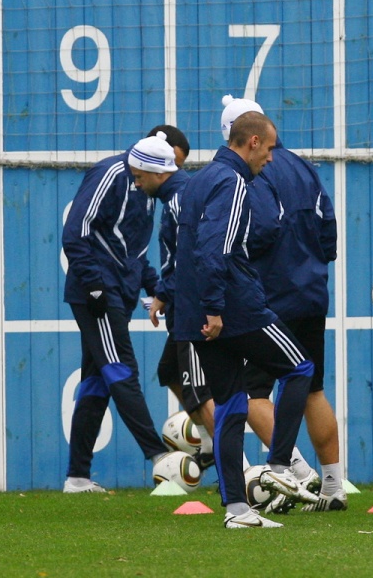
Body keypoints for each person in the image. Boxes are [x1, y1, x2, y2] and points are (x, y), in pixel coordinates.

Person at [173, 111, 318, 529]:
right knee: (300, 369)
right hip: (234, 309)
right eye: (269, 149)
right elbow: (214, 248)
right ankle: (279, 466)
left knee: (231, 404)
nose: (271, 158)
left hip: (196, 314)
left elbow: (182, 245)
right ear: (252, 142)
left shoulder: (198, 179)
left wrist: (199, 308)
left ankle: (237, 509)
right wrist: (215, 307)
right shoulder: (233, 182)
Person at [219, 95, 345, 511]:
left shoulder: (252, 172)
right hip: (311, 291)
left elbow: (261, 229)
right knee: (313, 390)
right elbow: (329, 228)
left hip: (270, 297)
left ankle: (295, 474)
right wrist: (313, 264)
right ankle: (334, 486)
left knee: (254, 392)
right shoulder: (303, 166)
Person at [61, 130, 176, 493]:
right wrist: (94, 284)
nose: (170, 175)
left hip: (118, 293)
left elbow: (134, 254)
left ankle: (77, 477)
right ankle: (161, 458)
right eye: (170, 165)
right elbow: (75, 231)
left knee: (97, 380)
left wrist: (155, 287)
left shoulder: (147, 191)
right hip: (98, 294)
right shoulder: (111, 174)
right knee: (122, 369)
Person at [132, 125, 216, 471]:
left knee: (200, 390)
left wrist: (163, 294)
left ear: (157, 172)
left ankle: (238, 467)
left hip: (194, 309)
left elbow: (188, 257)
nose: (137, 184)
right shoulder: (177, 196)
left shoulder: (180, 199)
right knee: (169, 370)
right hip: (187, 302)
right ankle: (209, 445)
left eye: (139, 176)